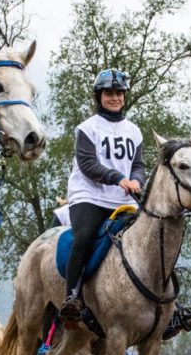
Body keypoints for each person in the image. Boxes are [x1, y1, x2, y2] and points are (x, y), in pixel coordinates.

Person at [58, 69, 147, 323]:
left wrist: (137, 181)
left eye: (119, 93)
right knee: (84, 236)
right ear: (99, 96)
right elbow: (88, 164)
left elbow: (138, 165)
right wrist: (119, 179)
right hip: (90, 195)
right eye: (109, 93)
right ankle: (71, 298)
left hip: (125, 198)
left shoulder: (134, 131)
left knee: (155, 236)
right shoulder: (87, 128)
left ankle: (169, 307)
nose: (115, 97)